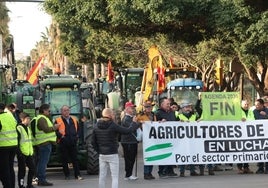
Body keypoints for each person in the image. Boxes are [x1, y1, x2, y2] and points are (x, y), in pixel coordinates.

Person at [92, 108, 139, 188]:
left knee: (102, 176)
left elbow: (93, 142)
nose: (114, 116)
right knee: (114, 177)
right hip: (112, 153)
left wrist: (99, 150)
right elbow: (127, 131)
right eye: (113, 114)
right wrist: (134, 123)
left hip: (102, 154)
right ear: (109, 115)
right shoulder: (113, 125)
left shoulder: (96, 125)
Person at [55, 105, 83, 180]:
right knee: (64, 160)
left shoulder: (74, 119)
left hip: (73, 142)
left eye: (67, 110)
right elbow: (55, 131)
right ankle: (67, 175)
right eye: (64, 110)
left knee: (75, 159)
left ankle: (77, 175)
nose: (66, 112)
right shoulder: (57, 120)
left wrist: (77, 137)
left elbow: (79, 130)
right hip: (63, 143)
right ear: (61, 112)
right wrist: (62, 137)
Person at [34, 104, 59, 186]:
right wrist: (55, 127)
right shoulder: (42, 118)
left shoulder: (41, 118)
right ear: (44, 110)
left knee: (41, 162)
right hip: (45, 143)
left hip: (43, 143)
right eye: (49, 110)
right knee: (43, 163)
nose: (49, 112)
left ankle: (40, 178)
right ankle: (42, 180)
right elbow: (46, 130)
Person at [176, 101, 203, 177]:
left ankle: (192, 171)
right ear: (182, 108)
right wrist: (179, 122)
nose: (188, 109)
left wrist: (199, 122)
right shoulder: (179, 116)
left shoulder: (194, 116)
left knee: (192, 154)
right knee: (183, 155)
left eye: (189, 107)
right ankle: (182, 171)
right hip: (183, 139)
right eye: (186, 107)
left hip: (193, 138)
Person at [155, 97, 178, 178]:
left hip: (171, 137)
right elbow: (154, 124)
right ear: (162, 105)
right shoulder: (158, 113)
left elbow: (175, 121)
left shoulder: (172, 112)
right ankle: (161, 172)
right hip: (162, 138)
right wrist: (160, 122)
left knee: (171, 154)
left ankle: (170, 170)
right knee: (163, 155)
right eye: (167, 104)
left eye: (169, 104)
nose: (169, 105)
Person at [136, 100, 156, 180]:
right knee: (148, 155)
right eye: (147, 107)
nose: (149, 108)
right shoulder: (140, 115)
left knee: (152, 155)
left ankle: (150, 172)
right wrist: (140, 122)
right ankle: (146, 173)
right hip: (145, 138)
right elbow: (135, 124)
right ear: (144, 108)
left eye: (150, 106)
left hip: (152, 137)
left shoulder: (153, 115)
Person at [120, 101, 140, 180]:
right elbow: (132, 128)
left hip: (132, 141)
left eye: (133, 108)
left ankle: (129, 173)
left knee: (132, 158)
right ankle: (128, 174)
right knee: (129, 158)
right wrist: (136, 123)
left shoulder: (131, 118)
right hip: (128, 141)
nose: (133, 109)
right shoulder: (126, 119)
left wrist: (137, 123)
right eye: (131, 108)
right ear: (127, 109)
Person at [0, 103, 18, 188]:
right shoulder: (10, 116)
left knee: (4, 169)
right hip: (13, 145)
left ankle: (7, 186)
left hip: (3, 146)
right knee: (10, 168)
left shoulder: (0, 117)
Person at [16, 112, 36, 188]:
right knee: (22, 171)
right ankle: (21, 185)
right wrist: (19, 153)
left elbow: (29, 141)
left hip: (29, 153)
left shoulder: (27, 128)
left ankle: (29, 184)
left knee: (32, 169)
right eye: (27, 119)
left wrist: (32, 151)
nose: (29, 120)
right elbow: (17, 142)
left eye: (29, 119)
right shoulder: (18, 128)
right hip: (22, 153)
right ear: (22, 119)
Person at [236, 100, 254, 174]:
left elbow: (253, 119)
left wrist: (246, 120)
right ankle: (240, 168)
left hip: (247, 134)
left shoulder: (250, 111)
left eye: (247, 104)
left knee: (247, 151)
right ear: (241, 105)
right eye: (245, 104)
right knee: (240, 151)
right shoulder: (237, 111)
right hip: (239, 134)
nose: (246, 105)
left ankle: (246, 167)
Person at [253, 98, 268, 174]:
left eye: (258, 105)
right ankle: (260, 168)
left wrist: (266, 115)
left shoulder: (267, 111)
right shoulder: (254, 112)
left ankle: (267, 168)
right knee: (260, 151)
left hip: (266, 134)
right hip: (258, 135)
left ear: (262, 105)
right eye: (255, 105)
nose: (256, 106)